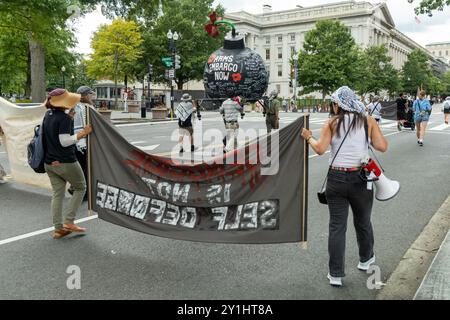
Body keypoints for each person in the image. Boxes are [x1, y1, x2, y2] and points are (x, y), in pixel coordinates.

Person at [300, 86, 388, 287]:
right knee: (363, 221)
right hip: (361, 178)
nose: (333, 106)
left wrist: (308, 137)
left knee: (337, 226)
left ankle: (336, 274)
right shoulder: (368, 121)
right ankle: (366, 260)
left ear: (338, 104)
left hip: (336, 179)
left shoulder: (331, 122)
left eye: (334, 103)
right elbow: (382, 146)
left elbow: (320, 149)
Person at [43, 89, 93, 239]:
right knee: (80, 187)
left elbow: (53, 133)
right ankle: (69, 222)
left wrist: (70, 120)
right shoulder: (62, 118)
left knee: (57, 194)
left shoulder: (48, 115)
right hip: (65, 161)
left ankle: (58, 229)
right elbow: (64, 142)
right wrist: (82, 133)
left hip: (49, 162)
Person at [67, 86, 95, 201]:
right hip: (83, 143)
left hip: (73, 142)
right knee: (86, 169)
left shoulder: (72, 106)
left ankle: (75, 187)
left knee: (80, 168)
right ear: (86, 96)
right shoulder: (87, 107)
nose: (92, 96)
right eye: (90, 94)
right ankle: (82, 192)